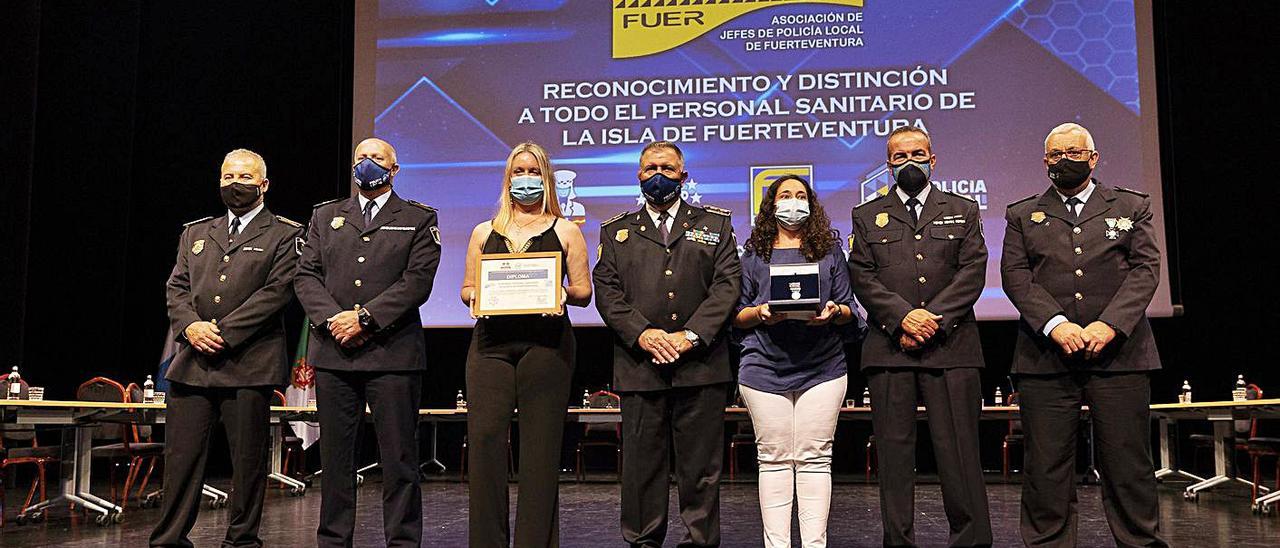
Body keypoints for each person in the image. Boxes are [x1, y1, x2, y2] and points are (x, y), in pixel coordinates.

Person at [1001, 122, 1166, 547]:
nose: (1064, 161)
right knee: (1046, 467)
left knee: (1127, 462)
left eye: (1074, 153)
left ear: (1093, 159)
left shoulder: (1130, 206)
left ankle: (1140, 542)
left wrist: (1108, 324)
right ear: (1044, 162)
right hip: (1046, 356)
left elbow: (1146, 269)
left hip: (1120, 354)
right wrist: (1057, 325)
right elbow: (1016, 276)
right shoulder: (1023, 214)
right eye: (1056, 155)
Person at [847, 126, 992, 547]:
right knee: (894, 457)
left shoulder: (963, 209)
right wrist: (903, 319)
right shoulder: (866, 213)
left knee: (961, 455)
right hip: (890, 349)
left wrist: (933, 320)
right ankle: (899, 541)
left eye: (917, 154)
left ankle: (971, 541)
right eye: (899, 156)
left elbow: (972, 272)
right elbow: (863, 275)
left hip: (953, 346)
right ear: (888, 164)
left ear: (933, 159)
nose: (909, 162)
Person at [294, 137, 441, 548]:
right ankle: (334, 540)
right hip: (334, 353)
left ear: (395, 170)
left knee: (398, 459)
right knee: (336, 460)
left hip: (393, 354)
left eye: (377, 158)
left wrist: (364, 318)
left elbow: (417, 282)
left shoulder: (418, 217)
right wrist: (332, 320)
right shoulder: (326, 216)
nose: (368, 163)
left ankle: (403, 541)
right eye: (361, 157)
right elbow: (306, 276)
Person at [593, 141, 742, 548]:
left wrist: (690, 335)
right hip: (640, 366)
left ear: (683, 176)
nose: (658, 174)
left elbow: (728, 286)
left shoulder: (715, 225)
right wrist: (643, 333)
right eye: (650, 168)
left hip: (702, 365)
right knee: (642, 468)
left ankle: (700, 540)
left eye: (667, 168)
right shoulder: (616, 230)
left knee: (701, 468)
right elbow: (606, 291)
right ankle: (643, 540)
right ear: (639, 176)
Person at [152, 149, 302, 548]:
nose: (235, 183)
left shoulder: (286, 234)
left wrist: (221, 332)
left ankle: (241, 540)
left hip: (249, 362)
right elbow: (176, 288)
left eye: (245, 177)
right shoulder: (196, 232)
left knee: (248, 464)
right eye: (227, 176)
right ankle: (168, 540)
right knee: (180, 463)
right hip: (193, 363)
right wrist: (192, 327)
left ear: (263, 185)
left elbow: (277, 293)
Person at [459, 142, 593, 547]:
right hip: (490, 345)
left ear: (546, 178)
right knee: (484, 445)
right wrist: (476, 297)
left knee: (540, 451)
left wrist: (558, 294)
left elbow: (584, 291)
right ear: (508, 178)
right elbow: (466, 289)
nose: (526, 179)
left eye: (534, 171)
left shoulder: (565, 229)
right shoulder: (484, 231)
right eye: (519, 171)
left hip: (547, 346)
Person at [731, 174, 863, 548]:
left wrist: (834, 310)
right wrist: (760, 313)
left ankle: (814, 545)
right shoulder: (753, 254)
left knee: (815, 458)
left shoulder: (829, 252)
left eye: (800, 195)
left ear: (812, 203)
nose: (793, 202)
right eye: (785, 195)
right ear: (772, 204)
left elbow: (849, 310)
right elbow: (737, 314)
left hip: (822, 367)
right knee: (772, 458)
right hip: (762, 367)